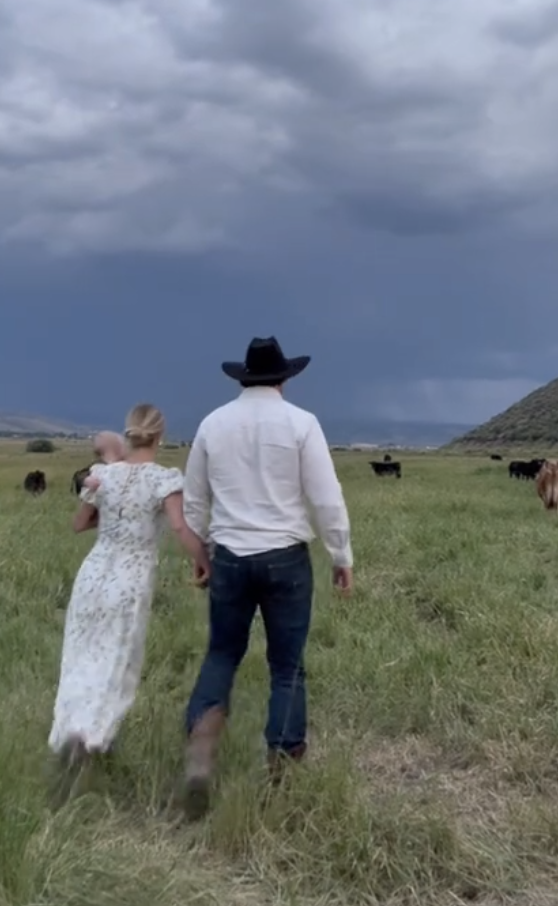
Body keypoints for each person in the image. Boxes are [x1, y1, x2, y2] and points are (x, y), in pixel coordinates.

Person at [180, 335, 354, 818]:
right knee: (286, 666)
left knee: (222, 654)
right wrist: (341, 554)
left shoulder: (213, 424)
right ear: (283, 378)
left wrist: (201, 552)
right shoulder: (302, 424)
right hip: (285, 557)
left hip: (230, 556)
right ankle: (283, 766)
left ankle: (200, 751)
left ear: (243, 378)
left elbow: (194, 499)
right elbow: (325, 496)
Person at [48, 403, 210, 801]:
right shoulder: (163, 479)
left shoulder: (101, 476)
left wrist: (115, 511)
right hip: (130, 579)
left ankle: (72, 730)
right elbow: (177, 525)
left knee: (81, 656)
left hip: (93, 574)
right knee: (115, 661)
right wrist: (202, 559)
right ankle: (90, 737)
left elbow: (79, 523)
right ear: (159, 436)